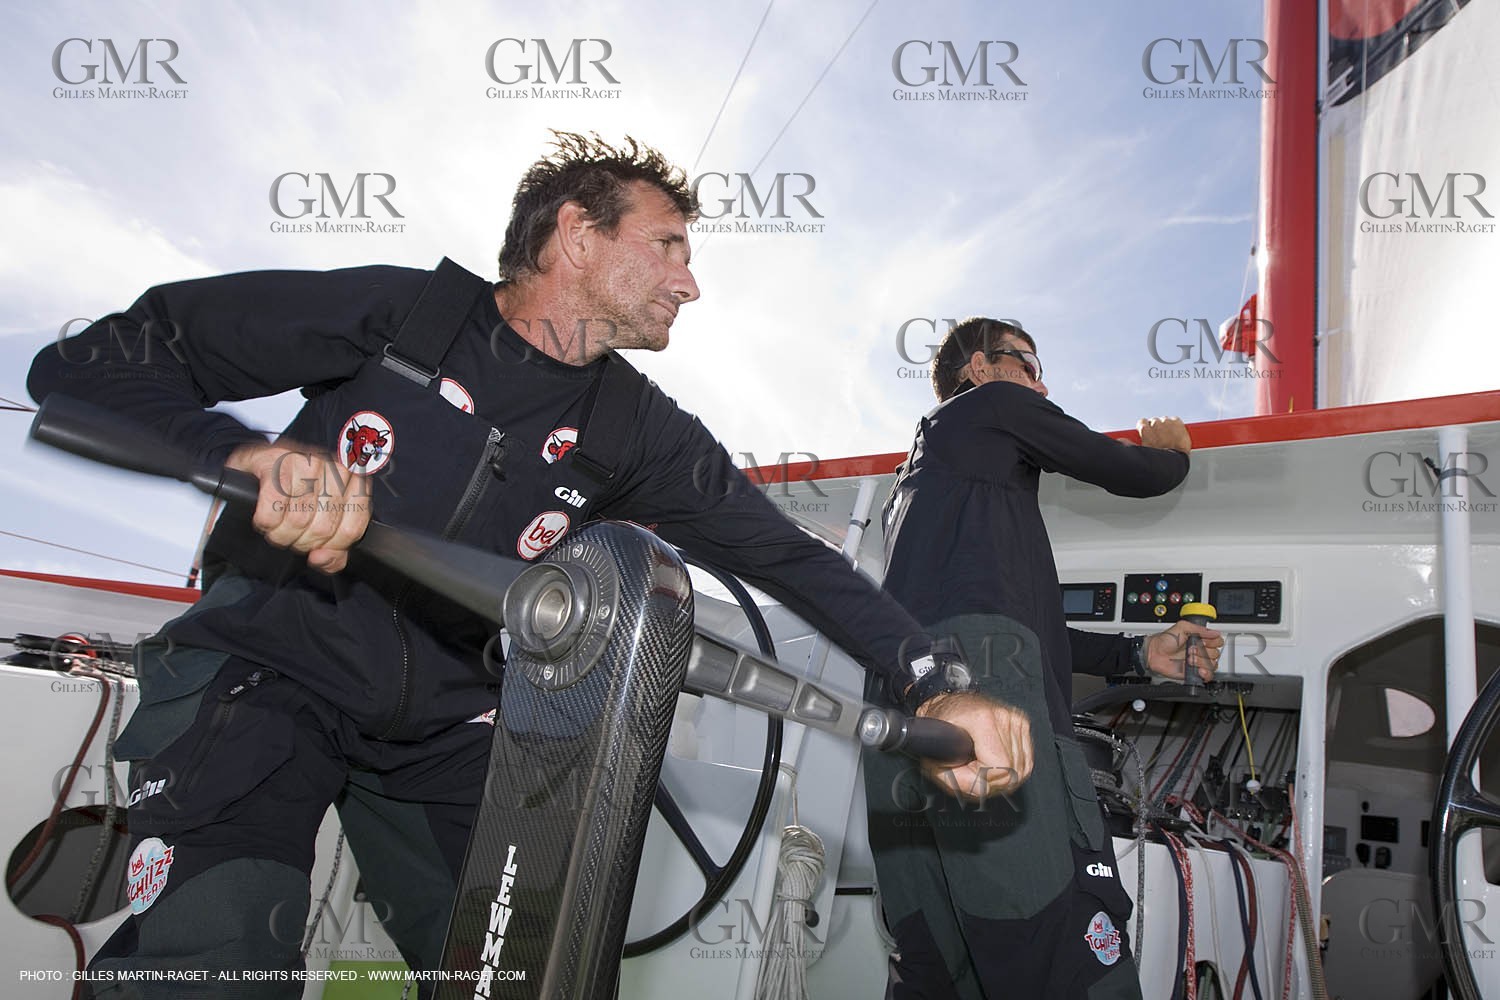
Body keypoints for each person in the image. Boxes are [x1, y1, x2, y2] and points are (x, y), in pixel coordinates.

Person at [26, 134, 1033, 997]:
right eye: (668, 245)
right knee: (217, 956)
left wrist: (941, 683)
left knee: (531, 973)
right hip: (264, 672)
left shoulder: (636, 429)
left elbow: (789, 561)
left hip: (442, 729)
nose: (691, 278)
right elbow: (86, 366)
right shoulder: (405, 318)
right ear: (575, 233)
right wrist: (245, 456)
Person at [867, 317, 1225, 999]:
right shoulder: (990, 407)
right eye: (1029, 366)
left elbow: (1028, 627)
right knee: (1053, 939)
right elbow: (1125, 468)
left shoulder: (914, 494)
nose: (1042, 384)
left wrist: (1139, 652)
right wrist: (1173, 455)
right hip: (985, 706)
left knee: (938, 958)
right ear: (980, 368)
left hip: (904, 713)